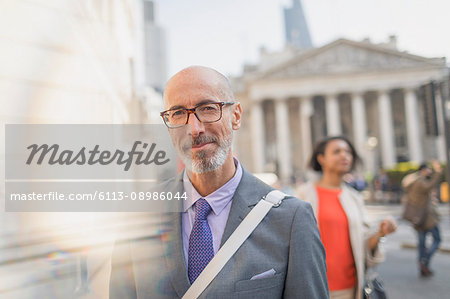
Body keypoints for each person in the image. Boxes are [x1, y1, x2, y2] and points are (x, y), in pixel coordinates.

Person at [110, 66, 329, 298]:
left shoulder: (291, 219)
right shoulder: (136, 216)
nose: (194, 129)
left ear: (235, 116)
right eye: (177, 113)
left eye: (207, 108)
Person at [297, 136, 396, 299]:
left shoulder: (354, 198)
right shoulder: (304, 194)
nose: (344, 156)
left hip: (350, 289)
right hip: (313, 289)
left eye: (348, 152)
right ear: (321, 158)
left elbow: (364, 246)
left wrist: (380, 233)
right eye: (337, 152)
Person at [402, 161, 442, 277]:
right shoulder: (419, 182)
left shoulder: (413, 180)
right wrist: (438, 172)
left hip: (417, 217)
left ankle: (422, 265)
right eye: (428, 169)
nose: (430, 171)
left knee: (421, 243)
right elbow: (430, 186)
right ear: (423, 170)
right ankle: (425, 261)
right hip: (426, 217)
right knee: (437, 239)